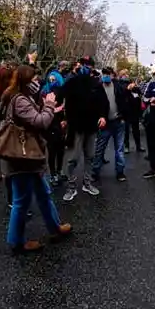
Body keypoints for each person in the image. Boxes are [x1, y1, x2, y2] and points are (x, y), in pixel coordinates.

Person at [0, 64, 73, 254]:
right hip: (22, 157)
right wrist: (49, 105)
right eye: (34, 79)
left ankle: (55, 227)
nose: (37, 82)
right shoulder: (20, 100)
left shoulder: (24, 97)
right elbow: (40, 122)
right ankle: (16, 241)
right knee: (21, 201)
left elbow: (36, 118)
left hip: (31, 157)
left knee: (43, 194)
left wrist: (50, 110)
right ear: (25, 81)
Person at [60, 57, 104, 201]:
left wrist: (103, 116)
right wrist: (63, 119)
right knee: (72, 158)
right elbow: (60, 98)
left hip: (91, 127)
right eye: (83, 65)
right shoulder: (71, 82)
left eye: (88, 65)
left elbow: (103, 103)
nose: (85, 67)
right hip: (75, 126)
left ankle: (87, 183)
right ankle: (71, 187)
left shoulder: (96, 84)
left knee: (90, 156)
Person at [92, 66, 136, 184]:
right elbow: (94, 105)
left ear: (113, 75)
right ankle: (95, 172)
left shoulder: (118, 87)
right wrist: (100, 117)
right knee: (100, 148)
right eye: (104, 74)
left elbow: (126, 101)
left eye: (108, 74)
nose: (106, 76)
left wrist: (124, 117)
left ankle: (120, 172)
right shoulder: (97, 88)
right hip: (104, 123)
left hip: (118, 121)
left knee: (119, 149)